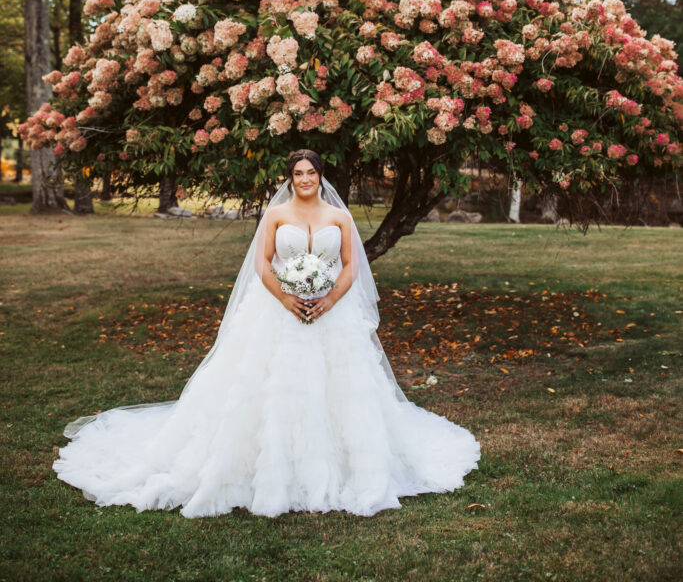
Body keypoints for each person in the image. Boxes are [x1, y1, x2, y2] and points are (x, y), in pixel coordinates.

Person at [52, 149, 481, 518]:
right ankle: (262, 469)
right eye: (298, 174)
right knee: (270, 388)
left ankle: (351, 467)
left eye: (311, 173)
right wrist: (288, 299)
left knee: (346, 391)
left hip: (333, 314)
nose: (305, 179)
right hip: (279, 313)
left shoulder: (338, 216)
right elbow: (263, 264)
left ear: (320, 177)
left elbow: (350, 265)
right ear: (290, 179)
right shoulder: (276, 215)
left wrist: (328, 299)